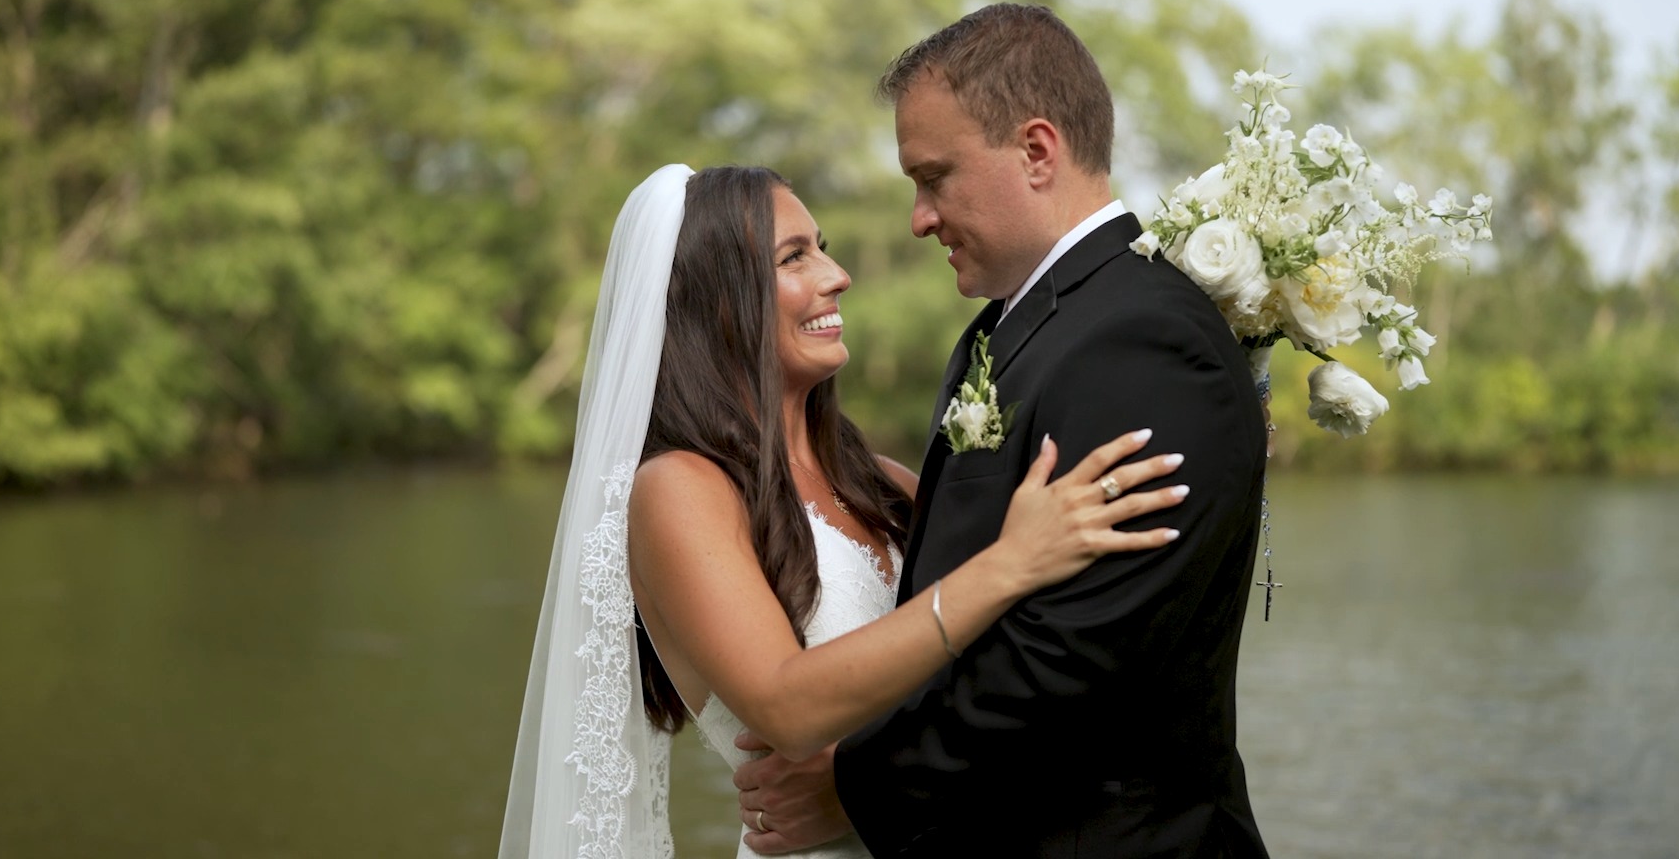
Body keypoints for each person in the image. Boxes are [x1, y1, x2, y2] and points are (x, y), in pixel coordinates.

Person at [498, 163, 1189, 858]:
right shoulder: (680, 488)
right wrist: (1009, 564)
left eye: (821, 246)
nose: (837, 275)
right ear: (717, 300)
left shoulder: (881, 483)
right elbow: (785, 704)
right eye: (794, 257)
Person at [733, 4, 1273, 858]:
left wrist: (856, 786)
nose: (919, 217)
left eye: (934, 177)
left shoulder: (1144, 340)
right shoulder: (1017, 326)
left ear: (1036, 151)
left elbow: (1074, 652)